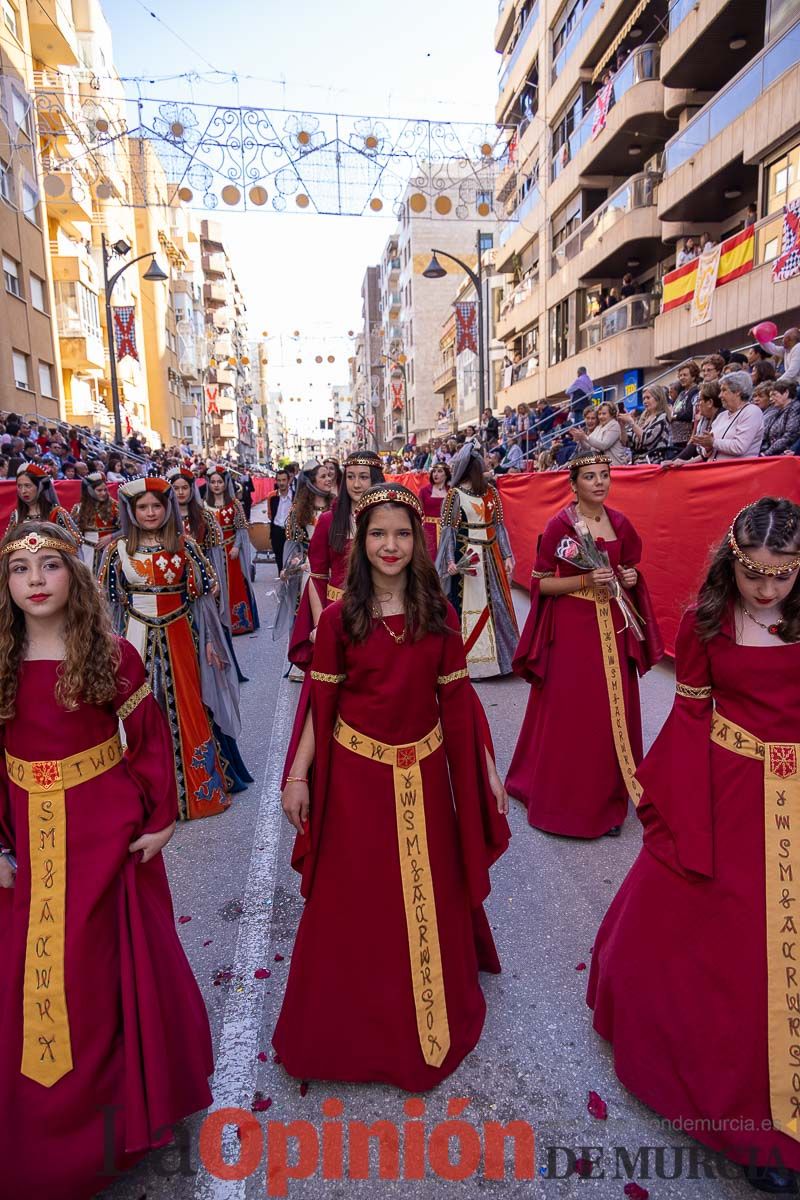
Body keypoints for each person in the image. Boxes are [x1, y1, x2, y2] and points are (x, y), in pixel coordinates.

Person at [587, 498, 800, 1193]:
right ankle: (746, 1122)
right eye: (754, 574)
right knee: (735, 951)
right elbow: (690, 717)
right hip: (731, 792)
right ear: (730, 563)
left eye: (784, 576)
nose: (768, 590)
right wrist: (676, 812)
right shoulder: (708, 622)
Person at [0, 522, 212, 1199]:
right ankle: (42, 1125)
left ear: (76, 576)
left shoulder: (111, 653)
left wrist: (161, 818)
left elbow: (149, 737)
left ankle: (118, 1115)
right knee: (35, 976)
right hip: (24, 840)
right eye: (18, 569)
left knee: (98, 975)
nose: (35, 580)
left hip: (104, 833)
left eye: (50, 566)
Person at [274, 484, 510, 1090]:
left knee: (428, 885)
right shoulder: (338, 618)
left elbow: (458, 701)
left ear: (419, 541)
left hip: (426, 775)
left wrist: (484, 767)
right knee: (362, 895)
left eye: (402, 534)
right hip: (356, 779)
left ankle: (429, 1009)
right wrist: (298, 775)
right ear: (360, 542)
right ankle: (359, 1025)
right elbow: (317, 706)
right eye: (378, 533)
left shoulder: (439, 614)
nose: (390, 545)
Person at [507, 451, 663, 837]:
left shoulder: (621, 523)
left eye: (605, 475)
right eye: (590, 476)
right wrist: (584, 582)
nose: (599, 482)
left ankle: (606, 801)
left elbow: (630, 570)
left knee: (612, 712)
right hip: (573, 631)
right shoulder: (560, 524)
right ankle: (563, 801)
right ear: (573, 484)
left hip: (613, 626)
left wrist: (628, 577)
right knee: (573, 714)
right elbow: (541, 582)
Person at [99, 477, 241, 820]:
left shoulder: (185, 546)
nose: (150, 512)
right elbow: (109, 605)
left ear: (168, 509)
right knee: (137, 710)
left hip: (182, 634)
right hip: (133, 636)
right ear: (131, 511)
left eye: (157, 506)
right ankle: (140, 797)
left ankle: (198, 791)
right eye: (143, 507)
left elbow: (205, 598)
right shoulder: (117, 551)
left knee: (188, 706)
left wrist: (209, 641)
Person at [287, 451, 383, 671]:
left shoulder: (389, 519)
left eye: (363, 477)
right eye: (350, 477)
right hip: (338, 612)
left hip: (381, 610)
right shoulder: (328, 521)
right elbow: (317, 577)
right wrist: (321, 624)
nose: (356, 484)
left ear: (375, 479)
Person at [436, 445, 518, 679]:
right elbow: (449, 531)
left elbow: (499, 526)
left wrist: (507, 554)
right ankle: (472, 662)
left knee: (497, 605)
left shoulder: (492, 492)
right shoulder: (455, 495)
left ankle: (503, 661)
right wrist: (450, 560)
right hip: (468, 558)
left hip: (491, 556)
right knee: (470, 607)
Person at [207, 465, 260, 636]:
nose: (216, 485)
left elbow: (241, 528)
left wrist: (237, 546)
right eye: (213, 482)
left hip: (231, 552)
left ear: (225, 483)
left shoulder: (234, 504)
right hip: (213, 553)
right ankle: (220, 625)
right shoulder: (204, 506)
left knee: (236, 585)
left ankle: (240, 622)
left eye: (219, 482)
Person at [690, 370, 764, 461]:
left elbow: (739, 447)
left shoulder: (752, 412)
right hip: (716, 470)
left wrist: (713, 442)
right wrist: (707, 445)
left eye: (724, 390)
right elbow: (707, 453)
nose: (720, 395)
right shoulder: (722, 416)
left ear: (738, 392)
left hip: (738, 472)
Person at [5, 464, 81, 540]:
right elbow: (7, 544)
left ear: (40, 488)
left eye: (27, 486)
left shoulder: (56, 513)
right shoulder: (17, 515)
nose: (23, 491)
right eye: (19, 486)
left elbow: (76, 540)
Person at [70, 471, 120, 574]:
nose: (103, 493)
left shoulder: (115, 506)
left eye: (105, 490)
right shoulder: (79, 508)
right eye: (99, 490)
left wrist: (111, 537)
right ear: (90, 491)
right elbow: (71, 531)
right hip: (86, 553)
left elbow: (127, 529)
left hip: (109, 552)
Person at [618, 386, 671, 463]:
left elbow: (647, 440)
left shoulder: (662, 417)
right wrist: (622, 426)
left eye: (648, 398)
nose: (645, 401)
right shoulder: (642, 419)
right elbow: (625, 442)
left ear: (658, 398)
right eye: (643, 399)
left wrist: (631, 422)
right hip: (637, 464)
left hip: (653, 464)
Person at [571, 400, 629, 465]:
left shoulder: (614, 425)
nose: (601, 416)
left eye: (604, 414)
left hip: (614, 466)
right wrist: (581, 439)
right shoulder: (599, 427)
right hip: (601, 466)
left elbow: (604, 445)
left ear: (612, 414)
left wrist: (585, 437)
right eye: (599, 414)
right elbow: (589, 448)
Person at [667, 361, 701, 456]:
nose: (682, 378)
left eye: (685, 375)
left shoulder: (695, 391)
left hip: (686, 440)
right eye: (680, 375)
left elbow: (690, 413)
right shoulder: (682, 393)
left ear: (693, 376)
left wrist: (674, 417)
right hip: (676, 439)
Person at [419, 461, 450, 559]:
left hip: (446, 529)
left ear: (446, 474)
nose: (435, 474)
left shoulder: (452, 491)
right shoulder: (424, 491)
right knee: (429, 557)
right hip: (428, 530)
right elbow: (417, 511)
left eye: (440, 471)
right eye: (434, 471)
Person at [762, 381, 800, 456]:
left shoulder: (795, 408)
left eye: (774, 395)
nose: (771, 399)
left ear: (786, 393)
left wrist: (766, 453)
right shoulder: (777, 410)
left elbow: (789, 436)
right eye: (770, 396)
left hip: (783, 455)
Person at [268, 469, 293, 573]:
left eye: (284, 480)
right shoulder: (272, 497)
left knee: (291, 560)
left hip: (291, 532)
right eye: (279, 480)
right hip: (277, 532)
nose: (281, 483)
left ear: (289, 481)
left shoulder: (295, 497)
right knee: (279, 559)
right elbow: (270, 514)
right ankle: (282, 582)